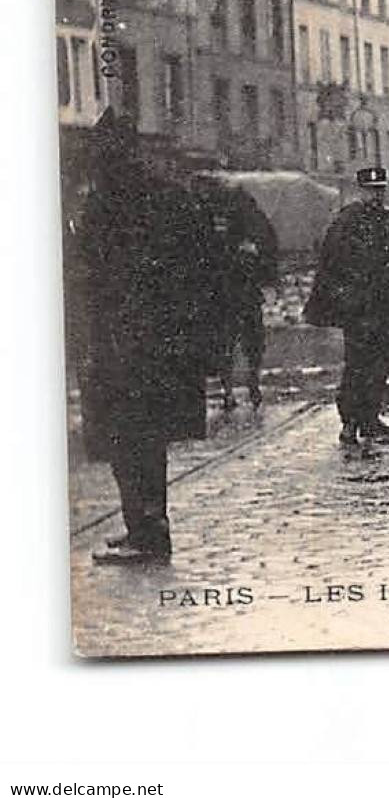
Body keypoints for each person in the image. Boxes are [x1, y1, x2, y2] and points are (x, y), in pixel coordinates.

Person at [77, 111, 216, 565]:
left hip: (124, 344)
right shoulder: (170, 198)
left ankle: (147, 532)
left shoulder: (106, 205)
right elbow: (202, 268)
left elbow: (87, 276)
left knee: (126, 438)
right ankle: (146, 525)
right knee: (147, 440)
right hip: (162, 344)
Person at [304, 167, 389, 444]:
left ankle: (370, 419)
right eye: (370, 191)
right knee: (358, 364)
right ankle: (350, 423)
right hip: (359, 308)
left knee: (384, 361)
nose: (375, 196)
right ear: (359, 190)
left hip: (386, 307)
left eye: (379, 191)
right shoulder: (347, 222)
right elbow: (332, 261)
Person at [197, 178, 279, 409]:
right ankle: (246, 386)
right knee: (246, 340)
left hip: (228, 289)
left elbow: (265, 243)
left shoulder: (213, 212)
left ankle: (234, 388)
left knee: (230, 341)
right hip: (239, 289)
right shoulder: (242, 211)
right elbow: (267, 244)